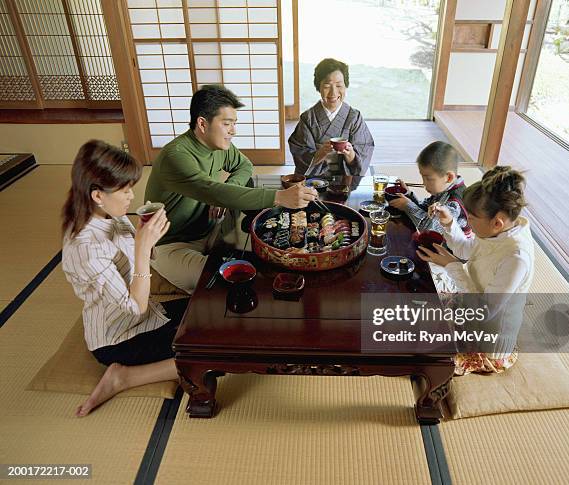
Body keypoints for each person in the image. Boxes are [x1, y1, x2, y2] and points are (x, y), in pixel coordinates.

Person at [145, 84, 318, 294]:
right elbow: (211, 190)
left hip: (211, 229)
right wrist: (279, 196)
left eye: (234, 123)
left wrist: (226, 189)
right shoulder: (176, 156)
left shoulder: (217, 145)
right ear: (202, 123)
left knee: (264, 253)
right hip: (173, 245)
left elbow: (244, 166)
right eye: (227, 124)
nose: (233, 131)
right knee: (225, 281)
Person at [62, 140, 188, 417]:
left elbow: (136, 261)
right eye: (125, 189)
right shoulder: (86, 248)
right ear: (97, 194)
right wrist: (142, 248)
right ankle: (123, 377)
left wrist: (147, 237)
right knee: (210, 354)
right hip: (118, 338)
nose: (131, 196)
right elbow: (135, 306)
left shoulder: (109, 213)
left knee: (208, 311)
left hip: (149, 314)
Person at [417, 166, 535, 375]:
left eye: (471, 219)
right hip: (470, 306)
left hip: (488, 340)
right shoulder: (496, 233)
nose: (468, 222)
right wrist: (449, 223)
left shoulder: (516, 258)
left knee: (416, 348)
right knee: (417, 300)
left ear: (497, 222)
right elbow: (467, 248)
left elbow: (484, 313)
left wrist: (452, 266)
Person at [288, 58, 374, 177]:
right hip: (315, 182)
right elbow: (300, 153)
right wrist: (319, 154)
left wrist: (351, 156)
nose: (333, 92)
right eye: (327, 85)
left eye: (339, 85)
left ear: (345, 86)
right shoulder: (308, 118)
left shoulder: (354, 117)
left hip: (346, 182)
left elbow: (364, 149)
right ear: (319, 87)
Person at [389, 141, 471, 236]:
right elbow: (425, 209)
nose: (424, 183)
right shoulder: (444, 188)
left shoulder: (454, 203)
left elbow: (429, 229)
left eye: (428, 179)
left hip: (451, 249)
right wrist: (408, 195)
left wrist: (408, 206)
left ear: (448, 177)